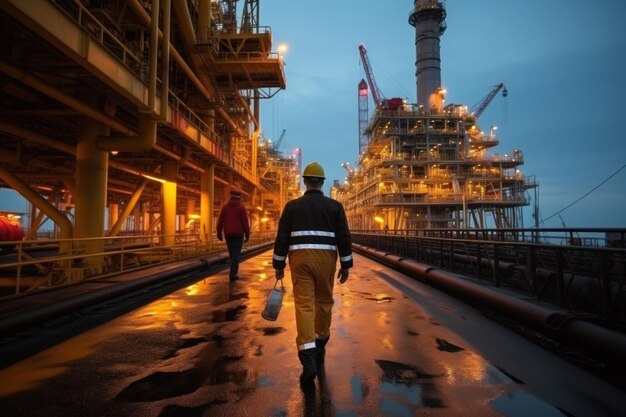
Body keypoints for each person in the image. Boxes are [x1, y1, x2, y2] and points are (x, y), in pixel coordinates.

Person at [272, 161, 353, 387]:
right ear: (322, 183)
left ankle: (308, 361)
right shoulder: (335, 207)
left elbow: (282, 238)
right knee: (324, 302)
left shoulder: (292, 207)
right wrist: (346, 265)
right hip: (326, 261)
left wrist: (278, 263)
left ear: (305, 181)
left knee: (304, 305)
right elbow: (344, 238)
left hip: (300, 261)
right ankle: (320, 342)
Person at [217, 188, 250, 280]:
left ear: (230, 197)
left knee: (232, 254)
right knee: (236, 254)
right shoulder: (241, 207)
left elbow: (220, 221)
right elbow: (245, 222)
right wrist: (247, 234)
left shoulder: (225, 207)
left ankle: (233, 270)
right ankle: (233, 274)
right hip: (238, 234)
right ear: (239, 198)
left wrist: (219, 233)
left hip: (228, 234)